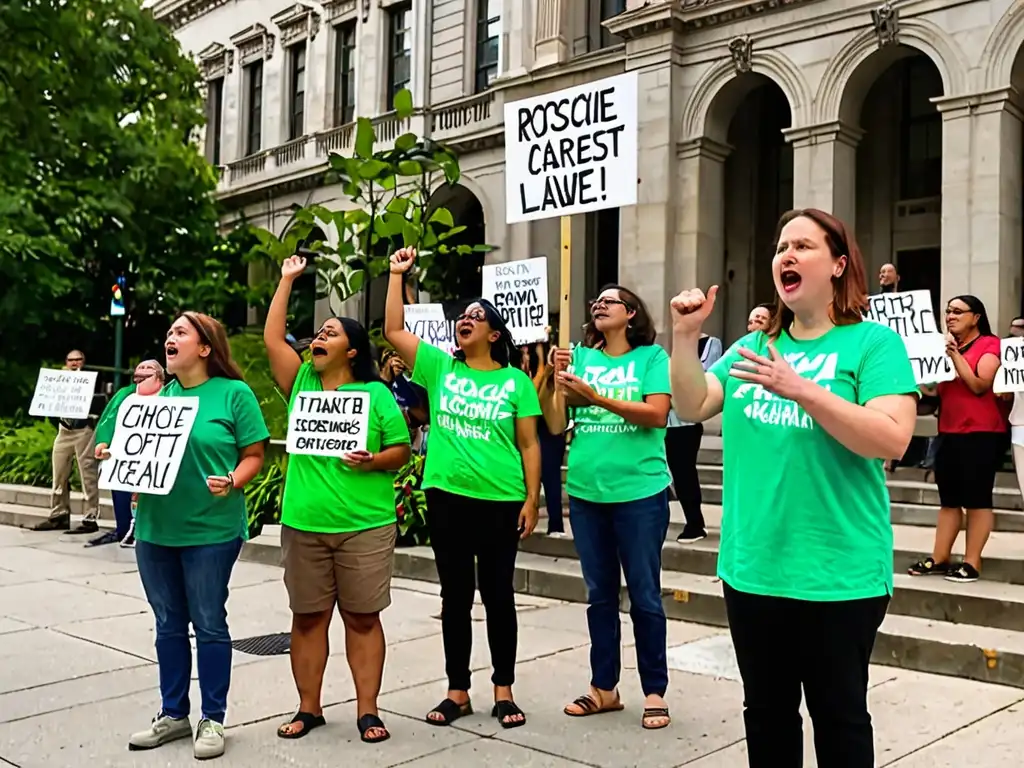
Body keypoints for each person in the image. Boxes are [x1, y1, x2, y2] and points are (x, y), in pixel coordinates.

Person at [669, 208, 918, 767]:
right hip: (753, 567)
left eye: (804, 246)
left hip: (838, 573)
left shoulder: (872, 344)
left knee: (840, 718)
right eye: (782, 246)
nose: (787, 255)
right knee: (766, 714)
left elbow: (892, 438)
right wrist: (685, 340)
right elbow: (691, 404)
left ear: (837, 264)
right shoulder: (753, 346)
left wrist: (802, 389)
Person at [96, 312, 269, 760]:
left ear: (206, 347)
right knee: (168, 624)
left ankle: (213, 717)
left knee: (209, 621)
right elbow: (121, 442)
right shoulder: (153, 398)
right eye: (169, 332)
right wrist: (109, 450)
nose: (169, 339)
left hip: (212, 529)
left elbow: (255, 454)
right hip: (156, 529)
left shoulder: (234, 394)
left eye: (180, 333)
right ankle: (174, 713)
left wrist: (233, 479)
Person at [384, 247, 542, 729]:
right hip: (448, 495)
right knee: (455, 597)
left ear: (494, 334)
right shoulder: (440, 368)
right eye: (462, 316)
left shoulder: (518, 381)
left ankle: (504, 690)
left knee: (498, 596)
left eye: (477, 316)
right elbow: (393, 330)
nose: (464, 320)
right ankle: (458, 690)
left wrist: (532, 500)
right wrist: (396, 275)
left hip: (501, 499)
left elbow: (531, 444)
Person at [265, 256, 411, 744]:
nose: (319, 338)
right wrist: (287, 281)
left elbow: (402, 450)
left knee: (362, 618)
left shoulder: (377, 393)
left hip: (364, 524)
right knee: (307, 618)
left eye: (330, 332)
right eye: (318, 333)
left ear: (352, 351)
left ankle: (368, 710)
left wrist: (371, 460)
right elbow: (272, 339)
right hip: (305, 522)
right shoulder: (301, 381)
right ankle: (310, 708)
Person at [545, 285, 674, 731]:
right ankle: (604, 688)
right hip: (586, 493)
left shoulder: (652, 359)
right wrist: (551, 379)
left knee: (644, 595)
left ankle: (654, 690)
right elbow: (557, 423)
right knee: (599, 596)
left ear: (632, 313)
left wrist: (595, 397)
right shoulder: (578, 356)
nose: (598, 305)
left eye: (610, 301)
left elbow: (656, 414)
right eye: (594, 300)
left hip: (639, 493)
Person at [909, 295, 1006, 584]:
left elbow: (978, 384)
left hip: (982, 433)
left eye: (958, 312)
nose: (950, 316)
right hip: (949, 432)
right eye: (948, 311)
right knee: (948, 500)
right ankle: (940, 558)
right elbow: (935, 395)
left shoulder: (990, 345)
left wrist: (953, 356)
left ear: (976, 317)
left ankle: (971, 562)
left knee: (977, 499)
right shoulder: (943, 349)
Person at [87, 360, 165, 548]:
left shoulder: (170, 394)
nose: (143, 371)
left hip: (153, 458)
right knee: (121, 495)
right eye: (140, 368)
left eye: (149, 368)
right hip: (124, 458)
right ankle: (123, 529)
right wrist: (103, 442)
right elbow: (109, 419)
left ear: (160, 376)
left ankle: (148, 532)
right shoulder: (124, 395)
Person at [33, 349, 105, 533]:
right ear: (66, 362)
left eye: (78, 360)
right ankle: (59, 514)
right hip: (64, 428)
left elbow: (100, 402)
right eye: (71, 360)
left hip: (84, 429)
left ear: (83, 362)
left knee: (87, 472)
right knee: (59, 472)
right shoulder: (60, 379)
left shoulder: (91, 380)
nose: (75, 363)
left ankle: (90, 517)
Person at [666, 332, 722, 543]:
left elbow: (705, 381)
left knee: (684, 474)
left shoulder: (709, 344)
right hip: (665, 422)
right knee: (668, 473)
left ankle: (695, 523)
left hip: (686, 423)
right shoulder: (674, 350)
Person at [522, 338, 567, 536]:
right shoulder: (515, 370)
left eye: (528, 350)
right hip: (526, 429)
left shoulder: (549, 371)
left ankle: (555, 524)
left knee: (551, 476)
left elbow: (534, 398)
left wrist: (544, 365)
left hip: (548, 428)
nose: (525, 353)